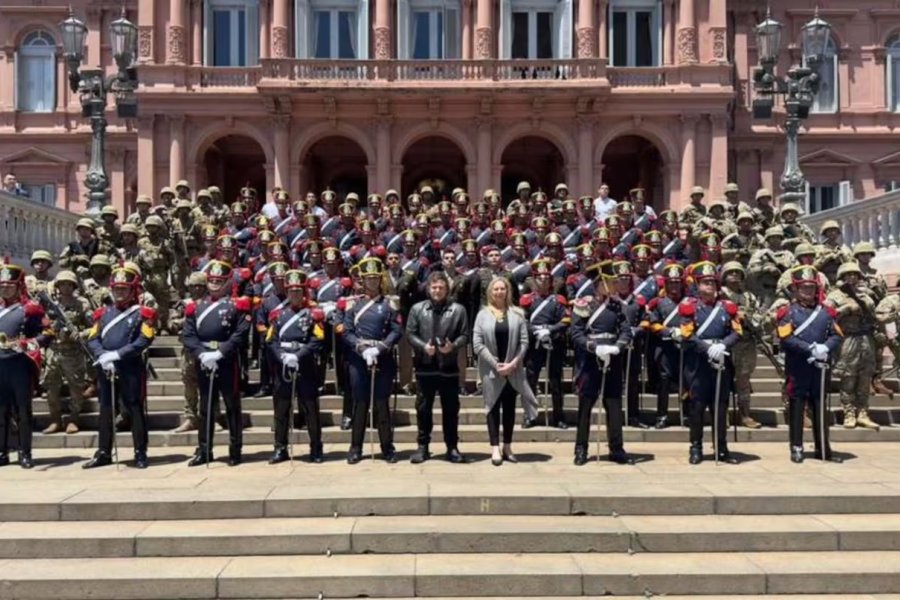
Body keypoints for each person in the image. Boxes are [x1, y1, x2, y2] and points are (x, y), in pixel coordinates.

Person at [83, 265, 156, 469]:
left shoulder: (143, 313)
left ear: (133, 290)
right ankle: (104, 452)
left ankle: (140, 452)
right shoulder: (103, 313)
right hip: (105, 367)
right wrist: (102, 355)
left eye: (124, 289)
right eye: (117, 289)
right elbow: (93, 338)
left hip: (130, 367)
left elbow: (145, 339)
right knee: (106, 410)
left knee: (134, 408)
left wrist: (118, 354)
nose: (120, 293)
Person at [183, 260, 252, 467]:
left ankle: (235, 449)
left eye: (219, 281)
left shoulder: (236, 305)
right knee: (205, 408)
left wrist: (220, 353)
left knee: (232, 407)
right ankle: (204, 450)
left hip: (227, 361)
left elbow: (240, 333)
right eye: (211, 280)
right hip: (204, 361)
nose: (214, 285)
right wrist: (202, 355)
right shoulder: (196, 307)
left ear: (228, 283)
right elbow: (188, 335)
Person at [776, 265, 843, 463]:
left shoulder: (827, 312)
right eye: (803, 287)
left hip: (820, 367)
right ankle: (796, 446)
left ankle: (823, 446)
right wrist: (810, 349)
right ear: (795, 289)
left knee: (819, 406)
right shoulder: (787, 312)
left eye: (811, 288)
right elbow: (785, 337)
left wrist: (825, 348)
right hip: (798, 366)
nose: (808, 291)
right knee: (797, 406)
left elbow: (837, 335)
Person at [569, 262, 634, 465]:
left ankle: (616, 448)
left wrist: (618, 346)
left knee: (613, 405)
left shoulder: (617, 306)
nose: (614, 285)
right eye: (609, 282)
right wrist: (592, 347)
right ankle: (581, 448)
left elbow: (625, 330)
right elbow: (576, 332)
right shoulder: (584, 304)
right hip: (589, 361)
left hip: (612, 360)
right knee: (585, 406)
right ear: (600, 283)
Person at [678, 261, 742, 465]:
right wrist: (708, 349)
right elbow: (688, 334)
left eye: (713, 283)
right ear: (697, 285)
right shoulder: (690, 308)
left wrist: (723, 345)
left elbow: (737, 332)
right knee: (697, 407)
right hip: (698, 363)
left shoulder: (727, 307)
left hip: (721, 361)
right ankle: (696, 446)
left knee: (720, 407)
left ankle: (721, 447)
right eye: (705, 283)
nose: (710, 287)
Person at [472, 276, 538, 466]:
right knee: (492, 408)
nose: (499, 292)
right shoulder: (482, 314)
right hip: (491, 371)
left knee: (509, 409)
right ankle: (494, 447)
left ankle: (507, 446)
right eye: (496, 289)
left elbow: (524, 342)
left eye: (503, 289)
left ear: (508, 291)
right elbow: (477, 344)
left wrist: (513, 364)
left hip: (513, 369)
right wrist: (496, 364)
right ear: (490, 292)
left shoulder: (517, 314)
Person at [343, 257, 403, 464]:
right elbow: (347, 331)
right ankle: (356, 447)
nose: (371, 282)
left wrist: (381, 348)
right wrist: (361, 348)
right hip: (359, 359)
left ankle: (387, 447)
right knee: (359, 403)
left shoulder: (389, 303)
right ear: (362, 280)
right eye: (368, 279)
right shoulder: (353, 304)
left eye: (375, 279)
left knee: (381, 404)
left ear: (380, 280)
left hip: (382, 358)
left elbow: (396, 330)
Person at [405, 271, 469, 464]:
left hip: (448, 367)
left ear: (447, 289)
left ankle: (452, 447)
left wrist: (453, 346)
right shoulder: (417, 309)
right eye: (434, 287)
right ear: (428, 289)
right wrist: (424, 347)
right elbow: (410, 333)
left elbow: (465, 335)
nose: (437, 290)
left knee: (451, 410)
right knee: (423, 409)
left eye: (441, 287)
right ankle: (423, 447)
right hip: (425, 366)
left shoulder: (458, 310)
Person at [266, 270, 326, 463]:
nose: (295, 295)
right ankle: (280, 447)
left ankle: (316, 447)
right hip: (283, 367)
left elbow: (318, 340)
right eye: (291, 291)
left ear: (304, 292)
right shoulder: (278, 315)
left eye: (298, 291)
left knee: (310, 409)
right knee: (282, 409)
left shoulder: (312, 315)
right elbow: (271, 340)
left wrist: (298, 356)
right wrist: (282, 356)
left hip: (305, 366)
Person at [0, 263, 47, 468]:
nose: (5, 289)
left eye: (10, 285)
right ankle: (2, 452)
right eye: (2, 285)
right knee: (1, 411)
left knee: (23, 410)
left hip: (19, 364)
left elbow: (47, 333)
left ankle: (25, 452)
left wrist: (26, 344)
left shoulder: (30, 308)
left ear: (19, 286)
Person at [826, 261, 879, 431]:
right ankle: (849, 413)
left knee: (865, 378)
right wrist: (846, 308)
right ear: (842, 277)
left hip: (866, 339)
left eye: (855, 274)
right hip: (847, 339)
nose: (852, 277)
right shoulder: (834, 296)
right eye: (848, 274)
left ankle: (863, 412)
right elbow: (826, 316)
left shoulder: (866, 295)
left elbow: (875, 316)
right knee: (848, 378)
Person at [41, 270, 92, 434]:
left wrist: (80, 334)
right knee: (51, 388)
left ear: (74, 286)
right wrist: (49, 327)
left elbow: (95, 326)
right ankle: (55, 420)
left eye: (68, 284)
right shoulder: (51, 304)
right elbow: (41, 324)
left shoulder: (82, 304)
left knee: (76, 388)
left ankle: (73, 419)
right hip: (54, 351)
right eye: (62, 284)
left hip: (73, 352)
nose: (65, 287)